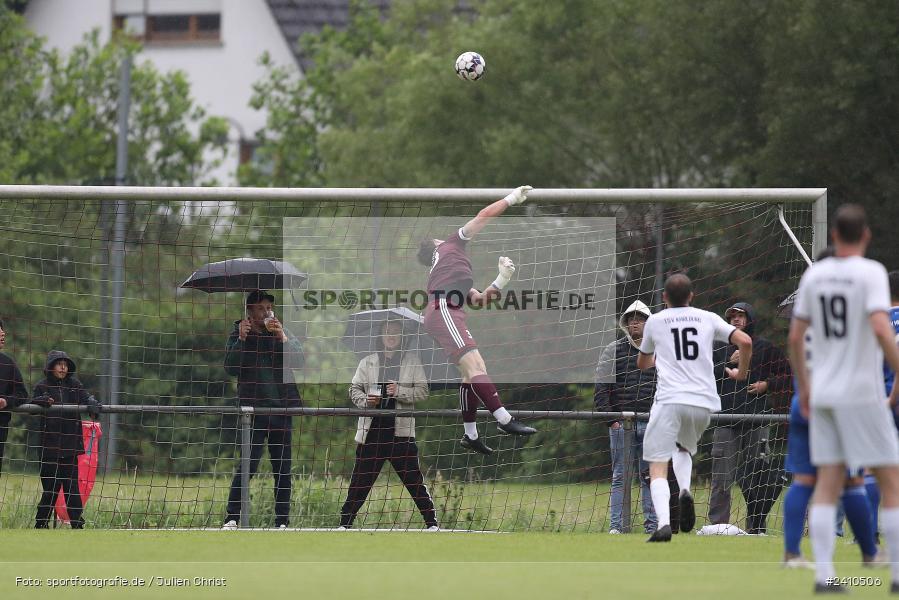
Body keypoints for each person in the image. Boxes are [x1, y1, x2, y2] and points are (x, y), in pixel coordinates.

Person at [787, 204, 899, 593]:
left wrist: (805, 389)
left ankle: (825, 576)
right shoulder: (872, 273)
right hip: (863, 393)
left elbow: (795, 338)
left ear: (834, 235)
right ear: (865, 235)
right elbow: (882, 328)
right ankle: (897, 575)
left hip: (824, 395)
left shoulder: (814, 275)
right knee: (890, 479)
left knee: (828, 483)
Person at [417, 186, 537, 455]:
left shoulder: (450, 271)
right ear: (437, 245)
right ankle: (505, 420)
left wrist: (502, 279)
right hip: (443, 310)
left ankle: (470, 435)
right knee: (475, 367)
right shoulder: (449, 246)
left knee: (472, 372)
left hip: (448, 311)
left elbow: (480, 299)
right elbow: (483, 216)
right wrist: (511, 198)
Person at [781, 247, 880, 569]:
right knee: (851, 481)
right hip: (838, 401)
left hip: (805, 400)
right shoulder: (848, 308)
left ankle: (792, 553)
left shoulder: (804, 310)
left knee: (803, 481)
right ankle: (868, 553)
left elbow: (794, 343)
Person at [636, 273, 753, 542]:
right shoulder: (707, 317)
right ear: (691, 296)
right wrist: (742, 373)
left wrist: (657, 359)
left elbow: (642, 364)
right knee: (683, 448)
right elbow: (745, 342)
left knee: (656, 463)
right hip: (703, 402)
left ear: (664, 298)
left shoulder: (655, 320)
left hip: (669, 399)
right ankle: (685, 489)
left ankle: (664, 523)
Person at [338, 319, 438, 530]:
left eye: (395, 332)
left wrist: (399, 390)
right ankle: (344, 524)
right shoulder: (367, 362)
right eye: (387, 332)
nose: (390, 336)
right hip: (371, 432)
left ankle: (432, 523)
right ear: (380, 336)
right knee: (359, 482)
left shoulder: (412, 361)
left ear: (402, 336)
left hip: (400, 433)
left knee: (414, 481)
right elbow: (354, 390)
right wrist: (367, 401)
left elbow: (423, 391)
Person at [222, 290, 305, 530]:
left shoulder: (281, 331)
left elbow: (299, 361)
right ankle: (232, 518)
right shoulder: (239, 332)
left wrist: (282, 338)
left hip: (282, 411)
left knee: (282, 468)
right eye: (260, 308)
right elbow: (230, 367)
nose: (266, 312)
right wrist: (241, 340)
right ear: (249, 311)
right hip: (253, 413)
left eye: (269, 307)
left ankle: (282, 522)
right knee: (247, 465)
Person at [709, 301, 791, 534]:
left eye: (740, 315)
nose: (735, 319)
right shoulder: (718, 347)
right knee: (722, 477)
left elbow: (788, 375)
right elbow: (703, 374)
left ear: (750, 319)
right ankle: (718, 526)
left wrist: (768, 384)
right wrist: (727, 362)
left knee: (759, 476)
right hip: (725, 420)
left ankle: (756, 525)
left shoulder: (765, 347)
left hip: (757, 421)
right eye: (732, 316)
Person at [595, 300, 672, 534]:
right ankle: (616, 527)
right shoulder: (613, 350)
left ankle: (652, 526)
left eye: (640, 318)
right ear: (626, 323)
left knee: (651, 476)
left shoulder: (662, 350)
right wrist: (611, 419)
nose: (635, 322)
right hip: (622, 425)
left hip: (652, 423)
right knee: (621, 476)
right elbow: (601, 386)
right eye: (631, 319)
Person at [32, 350, 101, 529]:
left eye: (65, 363)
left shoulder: (75, 385)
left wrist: (93, 403)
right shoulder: (42, 386)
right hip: (50, 446)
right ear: (51, 366)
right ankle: (41, 524)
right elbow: (30, 406)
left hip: (70, 445)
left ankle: (77, 524)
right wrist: (39, 401)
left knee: (72, 489)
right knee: (51, 488)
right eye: (58, 363)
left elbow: (87, 399)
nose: (63, 367)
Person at [0, 319, 29, 476]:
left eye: (2, 329)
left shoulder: (8, 364)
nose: (2, 332)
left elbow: (22, 394)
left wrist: (6, 401)